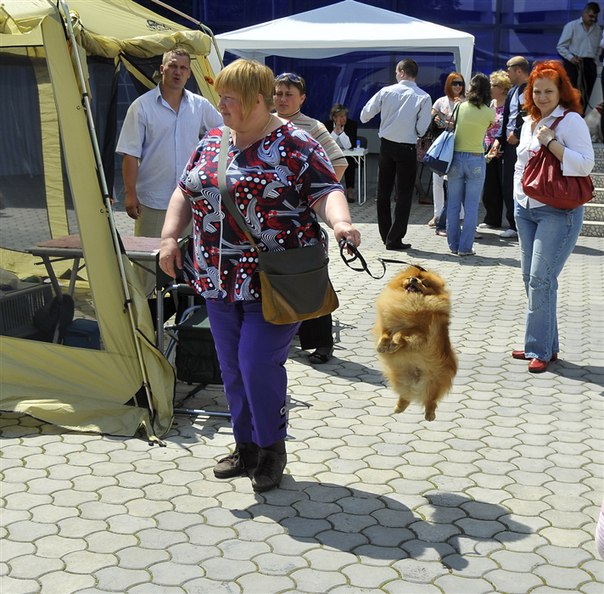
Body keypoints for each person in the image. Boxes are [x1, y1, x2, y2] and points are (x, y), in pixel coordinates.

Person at [158, 59, 361, 492]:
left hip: (274, 279)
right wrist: (170, 237)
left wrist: (340, 224)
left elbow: (327, 190)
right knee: (232, 368)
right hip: (216, 276)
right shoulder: (213, 141)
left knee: (256, 363)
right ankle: (245, 445)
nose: (221, 105)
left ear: (256, 100)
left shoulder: (296, 144)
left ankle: (272, 448)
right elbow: (184, 188)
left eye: (229, 98)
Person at [116, 47, 223, 295]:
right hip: (153, 202)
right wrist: (130, 193)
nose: (177, 71)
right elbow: (130, 154)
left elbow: (225, 135)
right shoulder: (141, 107)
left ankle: (184, 324)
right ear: (162, 69)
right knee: (146, 270)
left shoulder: (200, 106)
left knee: (190, 266)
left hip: (191, 202)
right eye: (173, 66)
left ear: (188, 74)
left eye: (183, 68)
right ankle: (143, 326)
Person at [512, 60, 594, 373]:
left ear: (562, 91)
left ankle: (539, 349)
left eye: (549, 90)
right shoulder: (528, 121)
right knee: (532, 280)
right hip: (526, 209)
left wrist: (553, 143)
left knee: (540, 279)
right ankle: (545, 344)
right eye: (538, 91)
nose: (543, 96)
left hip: (559, 212)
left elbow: (585, 165)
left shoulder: (571, 121)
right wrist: (517, 198)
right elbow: (521, 165)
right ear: (530, 93)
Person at [274, 72, 348, 365]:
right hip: (268, 221)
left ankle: (321, 343)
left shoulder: (313, 128)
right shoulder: (262, 121)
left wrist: (314, 197)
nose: (281, 99)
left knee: (311, 279)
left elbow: (339, 164)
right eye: (278, 93)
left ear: (302, 99)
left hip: (301, 219)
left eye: (288, 94)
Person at [360, 58, 432, 250]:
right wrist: (413, 132)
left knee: (383, 192)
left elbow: (364, 115)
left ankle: (386, 235)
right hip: (407, 147)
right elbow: (422, 128)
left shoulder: (386, 91)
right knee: (404, 194)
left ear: (400, 72)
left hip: (386, 145)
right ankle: (395, 237)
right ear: (415, 74)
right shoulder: (423, 96)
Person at [445, 73, 495, 257]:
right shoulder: (489, 111)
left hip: (456, 158)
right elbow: (490, 126)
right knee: (472, 205)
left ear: (471, 89)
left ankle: (453, 245)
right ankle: (465, 247)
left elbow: (452, 125)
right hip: (476, 158)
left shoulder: (460, 106)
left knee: (453, 204)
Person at [489, 56, 531, 239]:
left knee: (519, 184)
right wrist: (499, 138)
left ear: (518, 70)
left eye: (509, 69)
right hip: (508, 144)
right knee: (508, 184)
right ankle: (513, 223)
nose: (507, 72)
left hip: (522, 145)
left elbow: (532, 117)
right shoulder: (514, 91)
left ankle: (519, 225)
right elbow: (506, 118)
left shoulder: (530, 90)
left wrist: (518, 133)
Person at [429, 72, 466, 228]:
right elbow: (431, 120)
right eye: (454, 83)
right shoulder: (440, 101)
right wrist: (436, 119)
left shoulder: (466, 102)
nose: (458, 86)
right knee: (438, 181)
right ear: (448, 85)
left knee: (457, 181)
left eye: (460, 83)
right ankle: (437, 214)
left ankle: (461, 214)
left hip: (459, 144)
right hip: (443, 145)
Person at [557, 2, 601, 115]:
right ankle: (567, 116)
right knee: (571, 93)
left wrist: (595, 61)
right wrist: (571, 58)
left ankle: (580, 117)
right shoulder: (572, 26)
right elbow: (561, 46)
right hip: (573, 63)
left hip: (589, 64)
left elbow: (599, 49)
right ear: (585, 13)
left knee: (586, 94)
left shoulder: (597, 30)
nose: (593, 19)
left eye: (595, 17)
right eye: (591, 16)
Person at [481, 69, 513, 228]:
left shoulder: (509, 104)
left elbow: (509, 127)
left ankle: (511, 222)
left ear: (503, 88)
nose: (490, 88)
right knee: (489, 186)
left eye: (494, 85)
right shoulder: (489, 104)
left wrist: (502, 145)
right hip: (488, 148)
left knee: (505, 187)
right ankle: (491, 219)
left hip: (503, 150)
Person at [324, 104, 358, 203]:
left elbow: (349, 146)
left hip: (346, 154)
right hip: (331, 155)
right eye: (341, 116)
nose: (344, 118)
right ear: (334, 117)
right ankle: (330, 190)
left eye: (345, 116)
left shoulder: (352, 124)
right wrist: (335, 131)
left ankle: (350, 190)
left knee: (349, 162)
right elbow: (328, 144)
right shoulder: (326, 125)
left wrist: (341, 133)